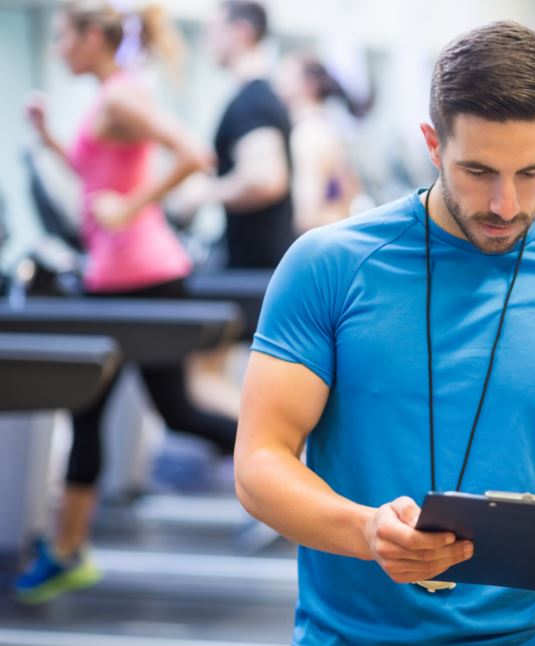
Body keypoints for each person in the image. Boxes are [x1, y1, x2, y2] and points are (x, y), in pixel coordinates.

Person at [235, 21, 535, 645]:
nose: (506, 205)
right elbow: (261, 461)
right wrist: (365, 530)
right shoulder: (329, 267)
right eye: (478, 171)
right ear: (432, 144)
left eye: (533, 172)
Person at [14, 1, 238, 603]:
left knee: (173, 412)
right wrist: (50, 139)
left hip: (141, 277)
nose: (58, 47)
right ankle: (67, 551)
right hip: (117, 278)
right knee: (95, 410)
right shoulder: (111, 97)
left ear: (92, 37)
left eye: (63, 36)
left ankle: (299, 463)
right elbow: (97, 177)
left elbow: (195, 153)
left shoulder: (119, 98)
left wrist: (133, 207)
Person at [177, 0, 295, 269]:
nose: (206, 42)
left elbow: (265, 180)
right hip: (256, 263)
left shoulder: (253, 101)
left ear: (241, 32)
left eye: (212, 31)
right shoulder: (256, 97)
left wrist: (202, 193)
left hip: (258, 269)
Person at [275, 51, 373, 233]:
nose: (278, 83)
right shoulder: (327, 129)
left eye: (286, 75)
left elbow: (307, 217)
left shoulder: (309, 134)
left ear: (309, 84)